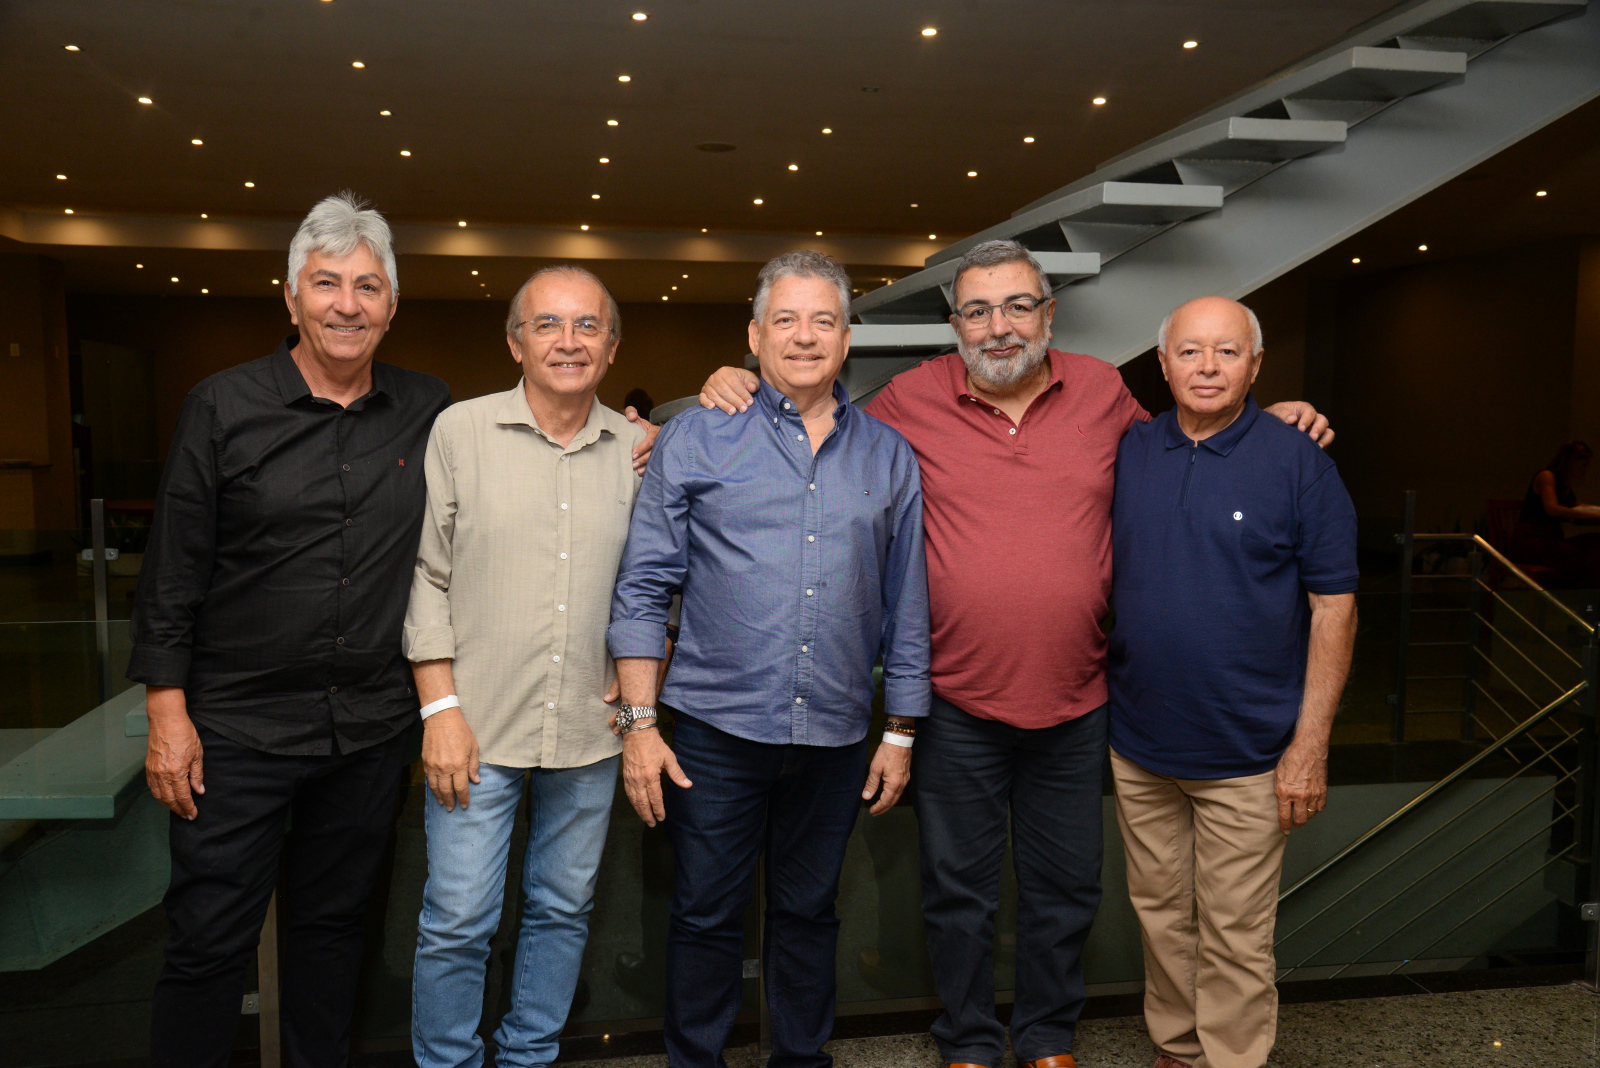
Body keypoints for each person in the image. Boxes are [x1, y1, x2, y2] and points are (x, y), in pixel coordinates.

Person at [696, 240, 1334, 1068]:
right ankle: (967, 1038)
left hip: (1079, 697)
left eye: (1018, 306)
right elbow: (816, 419)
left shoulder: (1101, 391)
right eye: (978, 310)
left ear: (1048, 314)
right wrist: (732, 383)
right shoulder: (909, 400)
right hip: (955, 699)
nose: (999, 326)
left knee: (1065, 887)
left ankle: (1045, 1036)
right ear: (955, 324)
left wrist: (1271, 419)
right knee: (956, 890)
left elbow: (1191, 440)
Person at [129, 192, 451, 1068]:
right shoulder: (221, 406)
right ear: (291, 296)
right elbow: (172, 574)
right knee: (208, 943)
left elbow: (531, 439)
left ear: (392, 304)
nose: (348, 304)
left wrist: (642, 433)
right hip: (235, 730)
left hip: (368, 730)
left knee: (335, 937)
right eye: (327, 283)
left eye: (368, 286)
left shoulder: (430, 410)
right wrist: (166, 714)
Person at [608, 250, 931, 1068]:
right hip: (715, 731)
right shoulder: (697, 436)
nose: (805, 336)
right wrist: (640, 725)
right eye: (785, 319)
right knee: (704, 916)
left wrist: (899, 731)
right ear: (754, 336)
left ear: (847, 339)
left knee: (810, 915)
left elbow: (907, 604)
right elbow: (643, 586)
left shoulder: (889, 456)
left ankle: (800, 1059)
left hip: (835, 735)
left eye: (824, 320)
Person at [404, 266, 646, 1068]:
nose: (567, 342)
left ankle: (528, 1057)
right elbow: (425, 575)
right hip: (474, 729)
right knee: (458, 920)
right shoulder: (459, 432)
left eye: (587, 326)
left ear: (612, 347)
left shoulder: (640, 451)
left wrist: (641, 693)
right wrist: (439, 711)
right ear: (515, 343)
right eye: (547, 325)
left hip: (591, 727)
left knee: (563, 911)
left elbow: (657, 589)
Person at [1108, 296, 1358, 1068]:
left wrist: (1309, 746)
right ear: (1163, 365)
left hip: (1249, 751)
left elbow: (1334, 609)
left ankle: (1232, 1059)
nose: (1208, 367)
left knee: (1235, 933)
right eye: (1190, 351)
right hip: (1140, 745)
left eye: (1227, 351)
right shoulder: (1129, 449)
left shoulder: (1299, 461)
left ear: (1256, 365)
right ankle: (1179, 1048)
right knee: (1160, 916)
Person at [1511, 440, 1600, 588]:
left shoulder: (1563, 483)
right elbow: (1553, 509)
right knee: (1574, 556)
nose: (1584, 470)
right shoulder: (1547, 476)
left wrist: (1595, 511)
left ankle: (1587, 598)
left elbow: (1575, 506)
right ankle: (1563, 595)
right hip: (1531, 542)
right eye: (1583, 465)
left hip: (1551, 540)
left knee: (1595, 542)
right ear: (1571, 461)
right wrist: (1595, 516)